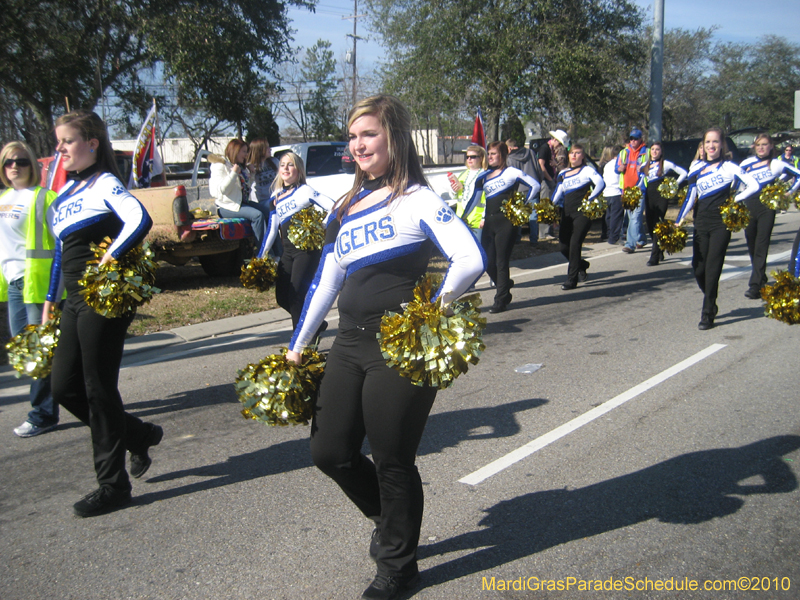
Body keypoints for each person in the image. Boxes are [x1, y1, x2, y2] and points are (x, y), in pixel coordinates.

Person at [286, 94, 484, 600]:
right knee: (329, 450)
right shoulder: (346, 205)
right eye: (352, 137)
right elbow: (327, 282)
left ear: (393, 138)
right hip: (348, 344)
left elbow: (468, 258)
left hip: (399, 347)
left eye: (368, 134)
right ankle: (390, 519)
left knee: (393, 457)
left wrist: (429, 314)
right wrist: (299, 343)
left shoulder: (417, 198)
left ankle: (399, 565)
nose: (358, 145)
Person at [41, 110, 164, 517]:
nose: (60, 148)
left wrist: (107, 260)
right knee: (63, 387)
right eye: (58, 142)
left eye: (67, 141)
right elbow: (60, 255)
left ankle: (113, 485)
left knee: (97, 387)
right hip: (72, 300)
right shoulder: (61, 199)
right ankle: (137, 433)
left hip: (103, 297)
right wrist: (48, 301)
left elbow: (139, 219)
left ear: (92, 143)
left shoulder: (105, 183)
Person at [0, 141, 60, 437]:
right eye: (9, 161)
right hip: (13, 284)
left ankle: (43, 413)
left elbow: (61, 243)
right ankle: (73, 387)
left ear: (32, 166)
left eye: (21, 161)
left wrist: (56, 288)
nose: (14, 166)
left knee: (37, 351)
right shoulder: (3, 198)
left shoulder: (44, 197)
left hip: (37, 284)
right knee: (27, 352)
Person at [677, 127, 759, 330]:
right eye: (708, 142)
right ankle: (711, 299)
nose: (711, 146)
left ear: (722, 145)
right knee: (698, 268)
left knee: (713, 267)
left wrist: (734, 200)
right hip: (701, 221)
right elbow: (690, 196)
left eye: (715, 142)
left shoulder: (729, 167)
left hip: (721, 223)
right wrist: (678, 220)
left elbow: (754, 185)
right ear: (703, 146)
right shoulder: (696, 167)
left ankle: (707, 312)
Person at [258, 151, 335, 329]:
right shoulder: (276, 199)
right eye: (283, 164)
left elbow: (333, 206)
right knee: (282, 297)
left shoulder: (305, 191)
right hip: (288, 252)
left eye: (290, 164)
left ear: (298, 170)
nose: (286, 168)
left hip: (306, 251)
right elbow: (271, 230)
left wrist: (320, 226)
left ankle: (300, 346)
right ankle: (314, 325)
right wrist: (261, 256)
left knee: (296, 297)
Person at [469, 141, 540, 313]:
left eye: (494, 153)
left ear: (503, 155)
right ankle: (505, 285)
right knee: (487, 262)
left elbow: (535, 185)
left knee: (501, 261)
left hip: (507, 222)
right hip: (490, 222)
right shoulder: (483, 177)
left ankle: (500, 299)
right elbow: (474, 200)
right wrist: (460, 217)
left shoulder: (511, 172)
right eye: (489, 153)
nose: (490, 156)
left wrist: (521, 204)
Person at [739, 134, 800, 298]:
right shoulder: (746, 164)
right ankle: (760, 276)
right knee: (751, 243)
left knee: (761, 244)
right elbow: (737, 184)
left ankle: (755, 285)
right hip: (749, 206)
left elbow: (798, 175)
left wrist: (789, 193)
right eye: (758, 145)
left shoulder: (777, 164)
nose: (761, 148)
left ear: (771, 146)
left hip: (767, 207)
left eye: (765, 145)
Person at [551, 144, 605, 290]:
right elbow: (558, 192)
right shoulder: (563, 173)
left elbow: (600, 183)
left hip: (582, 213)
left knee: (575, 244)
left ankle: (571, 279)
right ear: (568, 156)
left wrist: (590, 199)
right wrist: (549, 205)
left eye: (578, 153)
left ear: (583, 156)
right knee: (563, 246)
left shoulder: (587, 170)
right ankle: (581, 264)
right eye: (572, 153)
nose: (574, 155)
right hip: (567, 213)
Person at [210, 139, 271, 251]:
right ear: (236, 151)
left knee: (269, 212)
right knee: (257, 215)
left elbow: (246, 187)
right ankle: (264, 252)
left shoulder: (238, 166)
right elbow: (222, 190)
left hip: (241, 203)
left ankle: (278, 252)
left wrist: (251, 173)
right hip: (226, 206)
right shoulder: (220, 166)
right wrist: (233, 173)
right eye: (244, 151)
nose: (246, 155)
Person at [639, 141, 688, 266]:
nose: (654, 151)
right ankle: (660, 248)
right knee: (650, 225)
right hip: (649, 195)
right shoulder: (645, 165)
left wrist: (674, 185)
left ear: (661, 152)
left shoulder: (666, 164)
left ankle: (654, 257)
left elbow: (684, 173)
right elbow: (640, 180)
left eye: (657, 149)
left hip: (661, 195)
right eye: (653, 149)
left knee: (658, 224)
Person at [617, 128, 649, 253]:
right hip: (626, 190)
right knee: (632, 217)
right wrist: (620, 168)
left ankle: (630, 244)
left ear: (641, 139)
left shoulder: (646, 152)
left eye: (636, 138)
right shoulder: (624, 152)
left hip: (640, 189)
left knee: (635, 218)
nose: (633, 141)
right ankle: (641, 239)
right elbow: (617, 168)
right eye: (631, 138)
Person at [449, 145, 487, 242]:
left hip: (477, 220)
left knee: (477, 249)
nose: (469, 159)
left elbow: (488, 199)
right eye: (467, 157)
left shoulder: (485, 175)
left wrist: (484, 218)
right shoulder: (463, 174)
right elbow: (454, 197)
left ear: (481, 158)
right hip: (462, 219)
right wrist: (454, 190)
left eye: (473, 157)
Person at [506, 138, 541, 243]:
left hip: (518, 189)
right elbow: (538, 168)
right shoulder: (531, 152)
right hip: (533, 187)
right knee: (533, 215)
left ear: (509, 148)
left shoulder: (510, 158)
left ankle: (517, 238)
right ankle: (534, 239)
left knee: (519, 215)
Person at [599, 146, 623, 245]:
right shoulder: (620, 165)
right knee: (616, 217)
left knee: (608, 216)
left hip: (606, 193)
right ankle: (614, 237)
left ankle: (609, 234)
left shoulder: (607, 165)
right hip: (616, 192)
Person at [247, 138, 279, 206]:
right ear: (259, 149)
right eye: (267, 147)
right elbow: (249, 185)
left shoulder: (274, 161)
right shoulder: (251, 166)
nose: (270, 149)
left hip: (278, 196)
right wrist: (251, 171)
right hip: (262, 201)